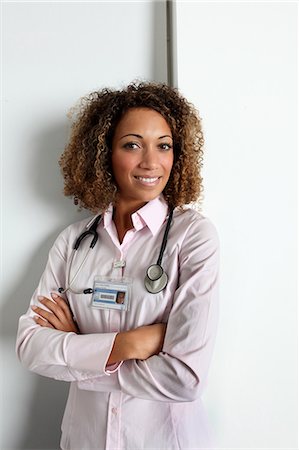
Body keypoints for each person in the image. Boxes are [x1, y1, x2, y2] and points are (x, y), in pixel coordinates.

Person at [16, 81, 220, 450]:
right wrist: (126, 345)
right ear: (104, 152)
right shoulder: (74, 242)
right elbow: (30, 346)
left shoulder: (192, 237)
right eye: (132, 144)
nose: (151, 162)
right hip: (85, 440)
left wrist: (82, 352)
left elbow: (185, 378)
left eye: (164, 145)